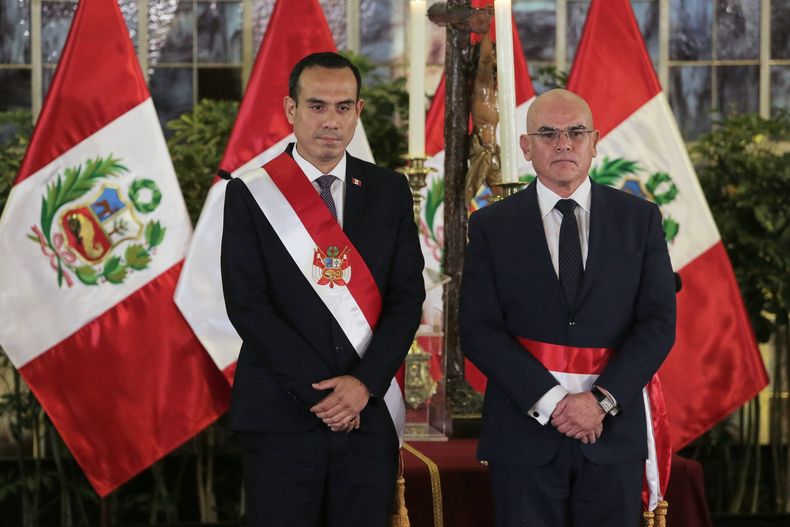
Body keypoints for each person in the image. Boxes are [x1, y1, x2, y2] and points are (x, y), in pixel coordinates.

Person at [221, 52, 425, 527]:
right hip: (279, 416)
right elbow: (248, 305)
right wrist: (322, 396)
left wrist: (363, 386)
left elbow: (405, 298)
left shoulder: (389, 190)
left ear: (359, 111)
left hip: (366, 415)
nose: (330, 121)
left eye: (342, 107)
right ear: (291, 110)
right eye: (316, 106)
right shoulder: (250, 193)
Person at [460, 88, 676, 527]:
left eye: (576, 132)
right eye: (547, 133)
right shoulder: (490, 226)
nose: (563, 143)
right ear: (526, 146)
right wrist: (555, 402)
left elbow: (657, 324)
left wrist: (599, 401)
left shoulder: (641, 220)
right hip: (524, 436)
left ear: (595, 142)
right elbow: (479, 329)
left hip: (612, 436)